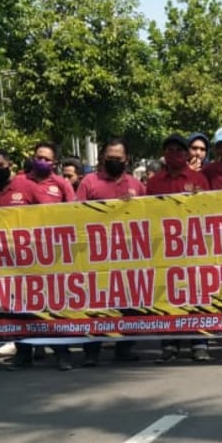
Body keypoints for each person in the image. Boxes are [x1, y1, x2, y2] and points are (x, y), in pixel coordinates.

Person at [0, 142, 78, 371]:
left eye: (46, 158)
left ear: (54, 163)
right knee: (21, 308)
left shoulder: (61, 185)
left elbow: (75, 215)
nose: (41, 161)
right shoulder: (19, 182)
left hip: (51, 255)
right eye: (38, 157)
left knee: (53, 307)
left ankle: (62, 353)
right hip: (19, 257)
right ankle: (24, 354)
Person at [75, 138, 146, 366]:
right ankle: (91, 351)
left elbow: (150, 215)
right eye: (110, 158)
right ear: (103, 158)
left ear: (126, 159)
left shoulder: (136, 185)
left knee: (128, 302)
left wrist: (135, 205)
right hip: (96, 255)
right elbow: (74, 214)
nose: (114, 161)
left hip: (128, 255)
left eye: (118, 158)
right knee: (95, 303)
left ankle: (124, 348)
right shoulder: (89, 182)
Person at [147, 134, 212, 362]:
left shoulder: (199, 179)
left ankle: (200, 343)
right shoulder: (154, 182)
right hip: (163, 248)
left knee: (195, 294)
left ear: (186, 154)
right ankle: (170, 343)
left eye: (179, 150)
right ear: (164, 154)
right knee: (167, 295)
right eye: (170, 150)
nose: (174, 154)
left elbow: (209, 211)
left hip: (193, 247)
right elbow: (146, 213)